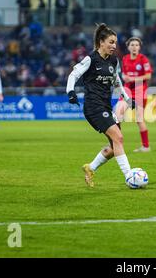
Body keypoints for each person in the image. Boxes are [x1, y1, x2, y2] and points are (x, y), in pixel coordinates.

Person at [66, 23, 136, 188]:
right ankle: (129, 177)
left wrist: (127, 99)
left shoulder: (113, 61)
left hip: (106, 106)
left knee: (114, 146)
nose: (114, 46)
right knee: (118, 138)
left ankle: (90, 168)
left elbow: (117, 81)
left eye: (115, 42)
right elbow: (73, 74)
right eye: (111, 42)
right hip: (93, 107)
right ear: (101, 42)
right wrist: (70, 92)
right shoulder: (91, 59)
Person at [115, 37, 153, 152]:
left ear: (139, 47)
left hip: (140, 91)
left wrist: (132, 78)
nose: (134, 47)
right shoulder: (125, 59)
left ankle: (146, 147)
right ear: (128, 47)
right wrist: (125, 78)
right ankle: (115, 143)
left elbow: (148, 76)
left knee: (139, 119)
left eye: (136, 45)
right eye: (132, 45)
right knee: (117, 114)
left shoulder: (143, 59)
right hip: (127, 90)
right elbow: (124, 76)